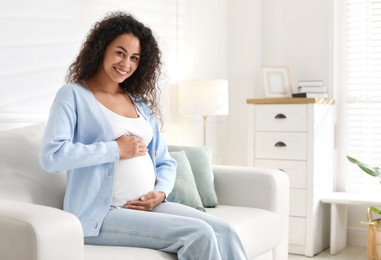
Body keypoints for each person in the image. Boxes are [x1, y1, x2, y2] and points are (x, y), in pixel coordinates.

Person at [39, 11, 248, 260]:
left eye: (135, 58)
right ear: (101, 49)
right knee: (198, 233)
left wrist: (160, 192)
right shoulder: (73, 95)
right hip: (101, 214)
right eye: (120, 52)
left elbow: (165, 161)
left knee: (225, 231)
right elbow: (52, 155)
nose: (126, 64)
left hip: (150, 206)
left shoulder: (138, 102)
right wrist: (116, 149)